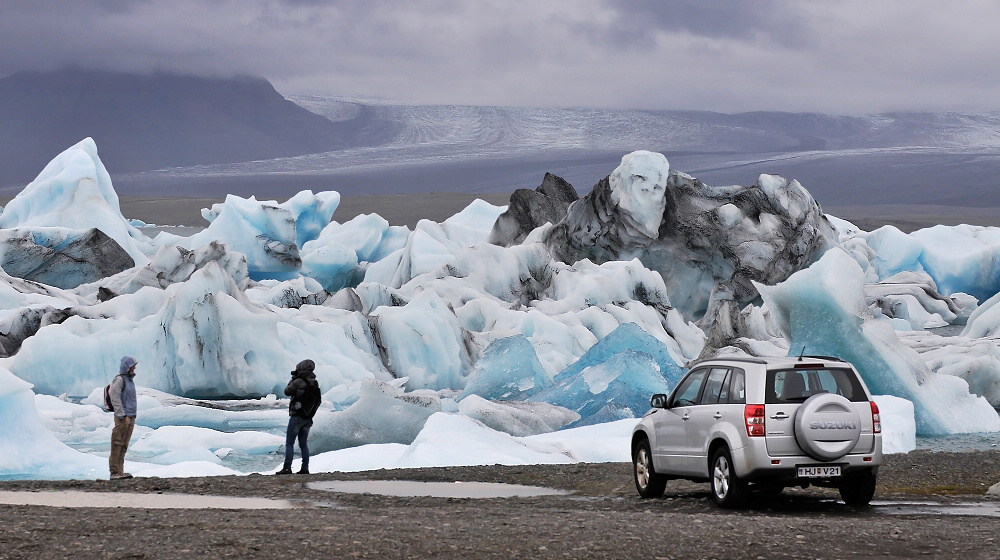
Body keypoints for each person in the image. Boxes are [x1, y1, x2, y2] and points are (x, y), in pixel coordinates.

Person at [276, 359, 320, 475]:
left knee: (290, 443)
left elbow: (287, 391)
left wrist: (293, 379)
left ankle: (287, 468)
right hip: (308, 418)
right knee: (303, 444)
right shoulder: (314, 382)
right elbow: (317, 400)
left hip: (297, 417)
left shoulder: (299, 381)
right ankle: (305, 468)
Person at [108, 355, 138, 480]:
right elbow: (114, 397)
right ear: (127, 366)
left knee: (124, 444)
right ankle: (114, 472)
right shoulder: (120, 380)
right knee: (117, 443)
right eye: (133, 366)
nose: (134, 368)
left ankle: (120, 471)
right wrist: (121, 415)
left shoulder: (129, 380)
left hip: (130, 416)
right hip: (123, 417)